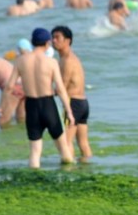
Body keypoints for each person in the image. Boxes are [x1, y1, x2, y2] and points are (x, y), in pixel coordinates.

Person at [5, 28, 74, 167]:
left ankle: (33, 181)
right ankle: (69, 178)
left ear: (32, 42)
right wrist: (69, 112)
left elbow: (9, 86)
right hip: (48, 105)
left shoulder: (20, 61)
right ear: (48, 43)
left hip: (31, 105)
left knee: (35, 151)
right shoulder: (51, 62)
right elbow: (60, 89)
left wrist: (8, 102)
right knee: (63, 148)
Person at [52, 26, 92, 162]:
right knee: (83, 143)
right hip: (83, 103)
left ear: (68, 40)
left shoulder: (67, 60)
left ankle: (70, 172)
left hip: (73, 103)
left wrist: (43, 94)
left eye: (57, 37)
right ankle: (87, 167)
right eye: (52, 37)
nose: (54, 40)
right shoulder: (68, 58)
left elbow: (62, 86)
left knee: (66, 142)